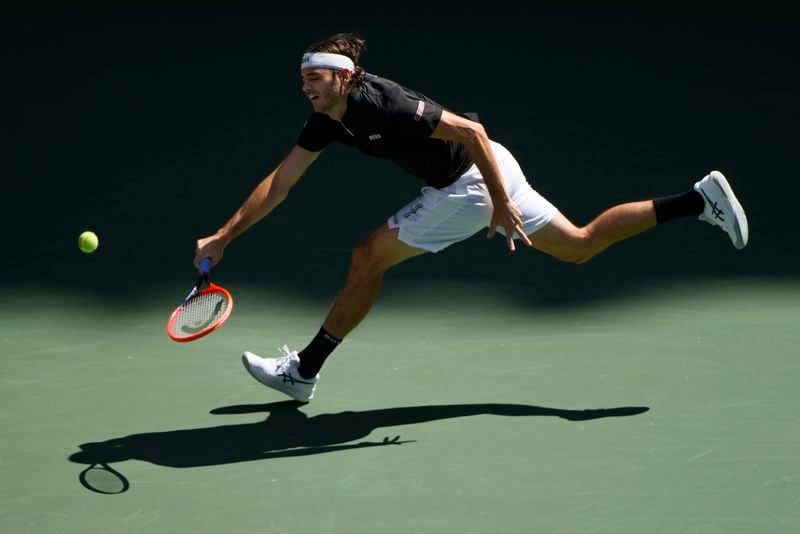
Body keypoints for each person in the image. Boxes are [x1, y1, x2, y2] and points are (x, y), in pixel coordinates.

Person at [194, 33, 748, 403]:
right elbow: (280, 182)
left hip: (473, 184)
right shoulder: (326, 120)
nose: (306, 85)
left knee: (368, 257)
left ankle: (304, 372)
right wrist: (225, 235)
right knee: (579, 245)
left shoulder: (381, 102)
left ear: (345, 76)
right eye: (302, 79)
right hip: (488, 174)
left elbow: (470, 132)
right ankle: (697, 200)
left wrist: (502, 203)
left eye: (315, 77)